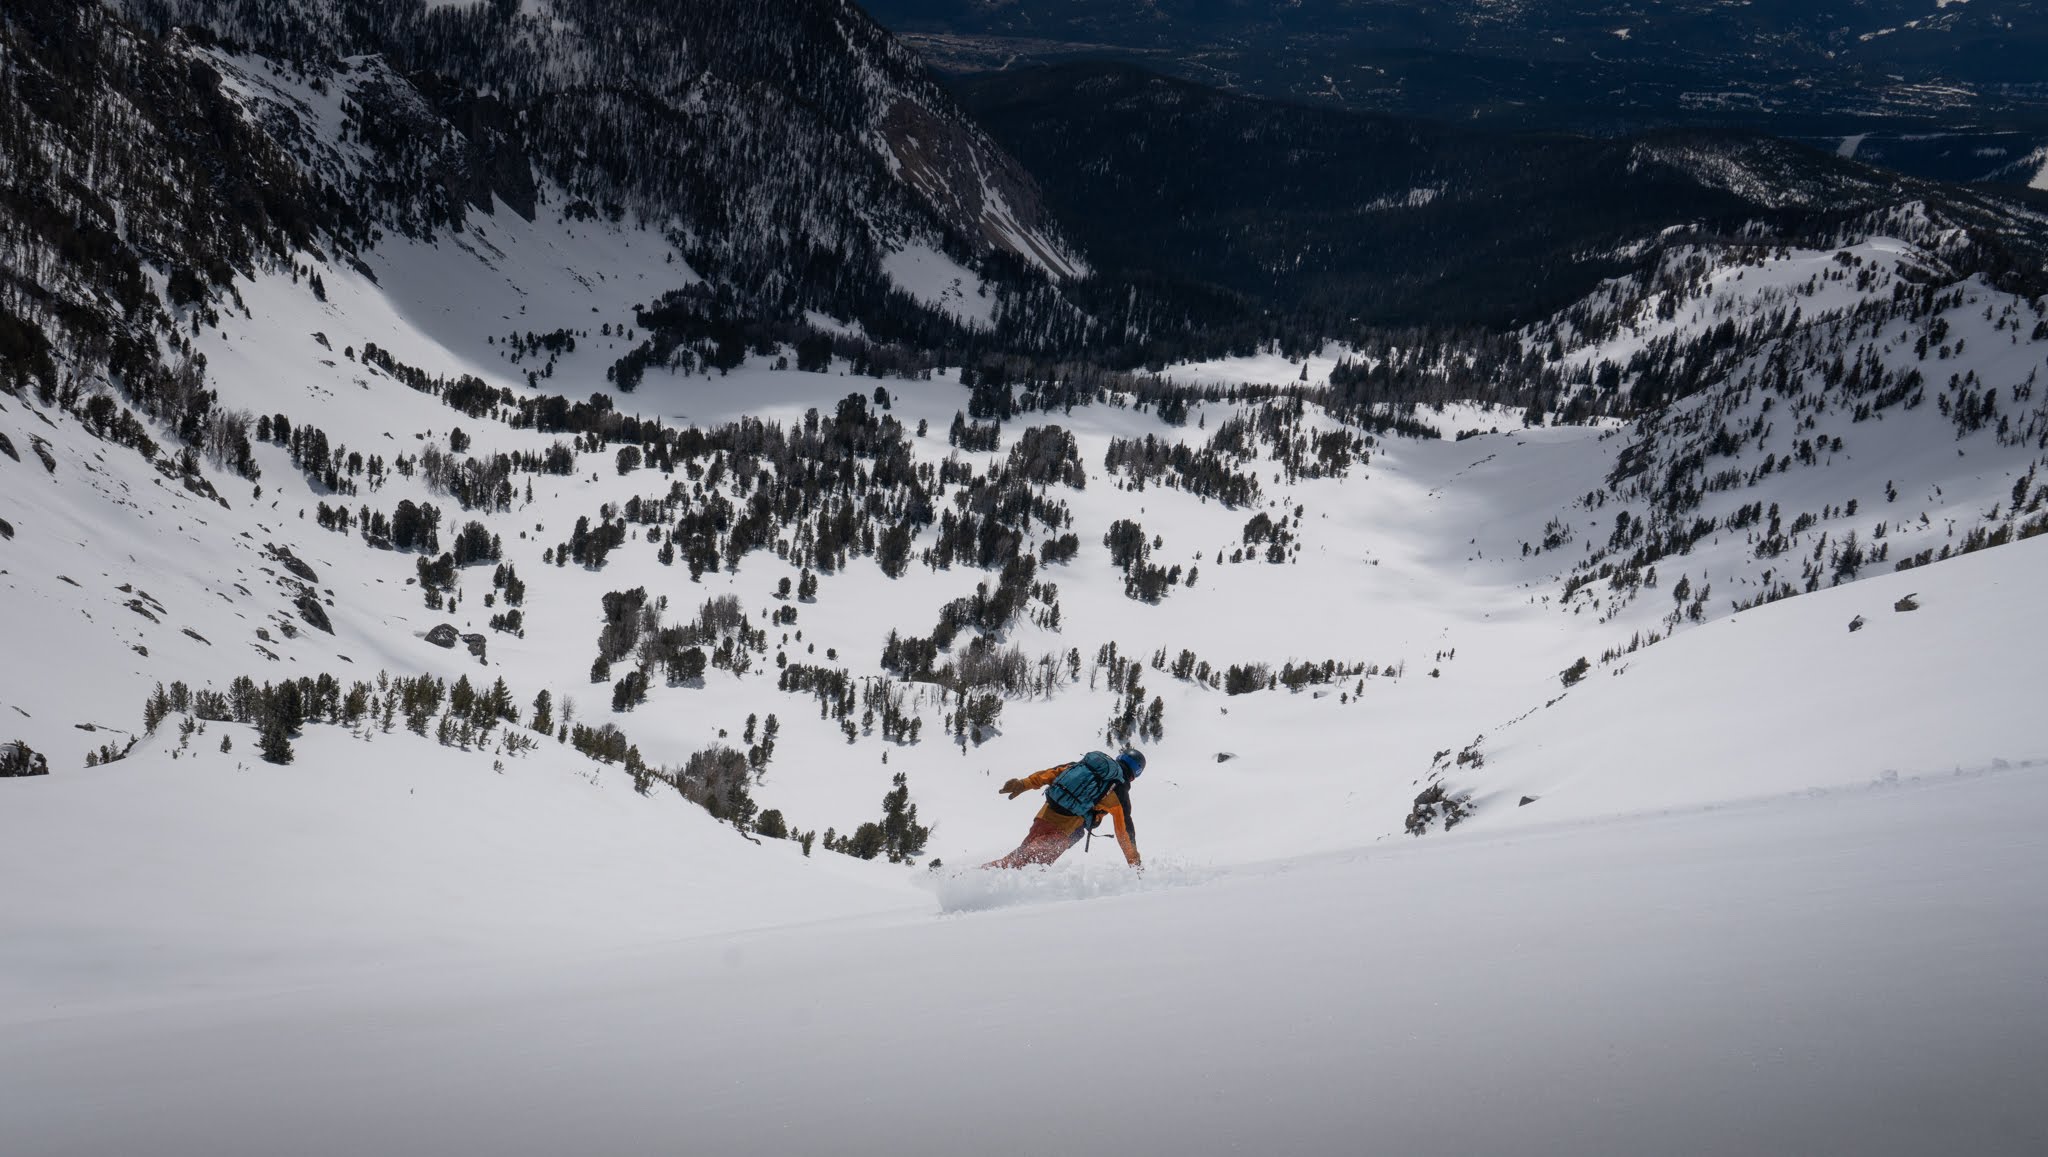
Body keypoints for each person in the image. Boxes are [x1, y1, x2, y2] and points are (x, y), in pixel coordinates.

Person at [985, 749, 1144, 869]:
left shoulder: (1086, 766)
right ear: (1135, 774)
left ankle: (989, 879)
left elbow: (1051, 773)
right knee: (1026, 865)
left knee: (1023, 856)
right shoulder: (1118, 790)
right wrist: (1135, 864)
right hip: (1067, 829)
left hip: (1045, 815)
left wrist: (1023, 784)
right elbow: (1124, 832)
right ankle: (980, 876)